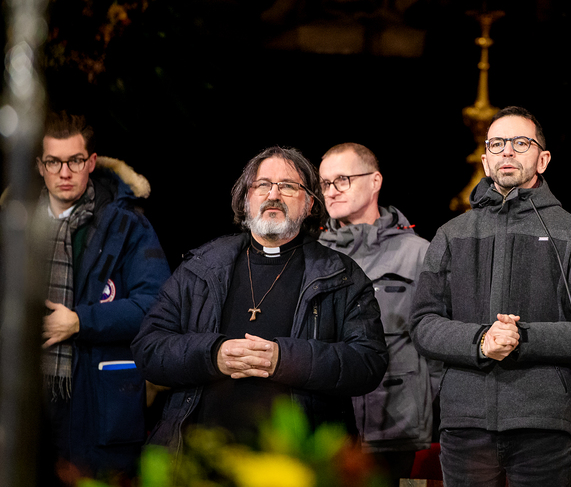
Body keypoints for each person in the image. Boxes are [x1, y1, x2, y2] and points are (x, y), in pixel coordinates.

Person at [410, 106, 571, 487]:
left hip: (543, 427)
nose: (507, 151)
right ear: (485, 160)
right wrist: (481, 341)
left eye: (521, 143)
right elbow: (423, 324)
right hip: (465, 425)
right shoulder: (451, 234)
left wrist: (524, 338)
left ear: (543, 159)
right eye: (497, 144)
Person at [132, 146, 387, 452]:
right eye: (262, 185)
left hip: (300, 461)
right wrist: (213, 355)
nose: (273, 194)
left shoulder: (341, 274)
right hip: (203, 456)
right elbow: (148, 349)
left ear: (309, 204)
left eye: (288, 186)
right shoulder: (200, 269)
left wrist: (284, 359)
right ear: (246, 199)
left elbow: (368, 362)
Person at [31, 112, 170, 478]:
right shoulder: (18, 226)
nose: (64, 172)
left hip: (99, 409)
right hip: (29, 404)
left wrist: (81, 321)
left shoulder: (128, 225)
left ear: (91, 162)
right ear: (40, 166)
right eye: (54, 162)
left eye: (75, 161)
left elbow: (156, 307)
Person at [318, 143, 440, 486]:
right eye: (325, 183)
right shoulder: (313, 255)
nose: (331, 191)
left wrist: (421, 400)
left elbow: (436, 338)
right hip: (328, 425)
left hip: (395, 424)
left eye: (342, 179)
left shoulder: (418, 254)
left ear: (375, 181)